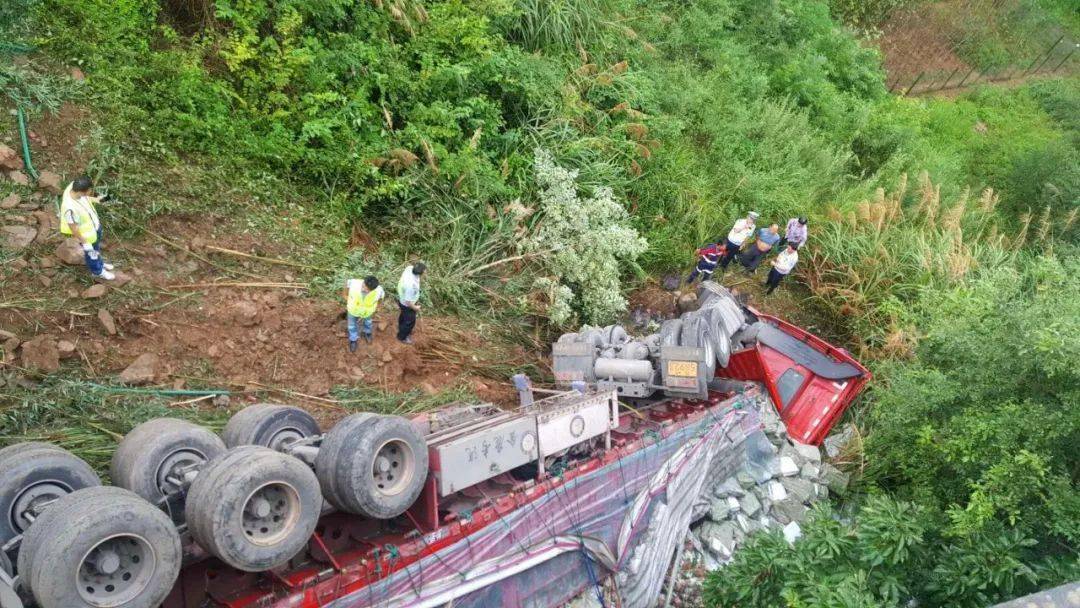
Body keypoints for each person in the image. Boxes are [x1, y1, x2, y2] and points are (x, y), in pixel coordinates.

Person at [59, 175, 114, 280]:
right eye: (89, 191)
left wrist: (102, 199)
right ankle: (98, 271)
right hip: (87, 237)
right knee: (91, 255)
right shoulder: (69, 208)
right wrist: (84, 242)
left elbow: (88, 198)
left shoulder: (74, 187)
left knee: (96, 250)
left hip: (95, 228)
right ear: (81, 192)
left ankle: (100, 264)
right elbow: (73, 227)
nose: (91, 192)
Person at [343, 275, 384, 352]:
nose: (363, 289)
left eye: (366, 289)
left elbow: (381, 298)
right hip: (353, 310)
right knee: (351, 325)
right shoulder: (354, 283)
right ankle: (353, 339)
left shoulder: (379, 290)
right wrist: (344, 294)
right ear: (363, 282)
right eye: (363, 286)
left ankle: (367, 332)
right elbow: (347, 283)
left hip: (367, 312)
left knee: (368, 322)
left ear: (372, 289)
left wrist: (378, 307)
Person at [396, 262, 425, 345]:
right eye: (424, 271)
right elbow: (408, 302)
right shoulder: (410, 286)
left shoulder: (409, 268)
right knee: (410, 321)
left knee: (403, 315)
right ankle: (402, 337)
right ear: (420, 273)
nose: (426, 272)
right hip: (407, 304)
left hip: (401, 298)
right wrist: (415, 308)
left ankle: (401, 327)